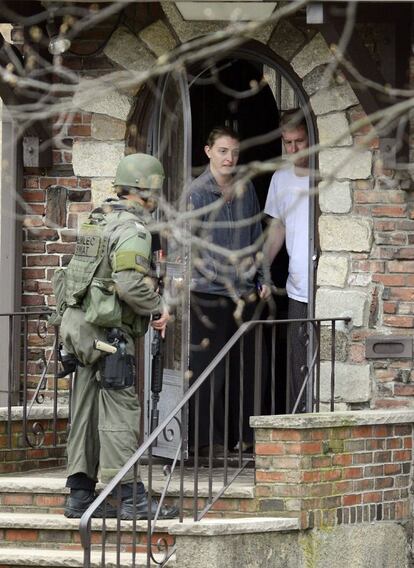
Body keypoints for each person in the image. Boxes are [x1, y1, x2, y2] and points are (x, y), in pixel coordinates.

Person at [56, 153, 177, 520]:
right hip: (108, 337)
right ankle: (132, 499)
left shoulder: (96, 221)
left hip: (79, 332)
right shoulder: (133, 230)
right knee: (120, 412)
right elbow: (128, 285)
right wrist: (158, 307)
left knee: (85, 411)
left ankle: (79, 496)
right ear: (147, 189)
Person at [189, 126, 270, 455]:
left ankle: (247, 437)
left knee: (247, 368)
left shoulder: (245, 187)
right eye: (223, 151)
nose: (230, 158)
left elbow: (255, 236)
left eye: (234, 153)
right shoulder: (195, 193)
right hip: (208, 294)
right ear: (208, 151)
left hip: (244, 292)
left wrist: (262, 277)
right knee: (211, 371)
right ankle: (207, 443)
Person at [264, 109, 310, 413]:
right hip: (297, 285)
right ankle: (297, 420)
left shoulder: (329, 171)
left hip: (323, 282)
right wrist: (262, 268)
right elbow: (277, 227)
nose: (292, 149)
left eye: (299, 142)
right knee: (297, 363)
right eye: (287, 142)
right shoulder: (280, 178)